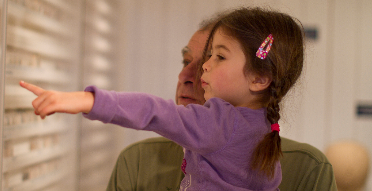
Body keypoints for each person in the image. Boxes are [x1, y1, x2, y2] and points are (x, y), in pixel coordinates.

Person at [20, 7, 336, 190]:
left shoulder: (220, 124)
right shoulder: (263, 134)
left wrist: (85, 100)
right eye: (190, 60)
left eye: (218, 57)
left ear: (259, 78)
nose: (200, 71)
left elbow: (152, 111)